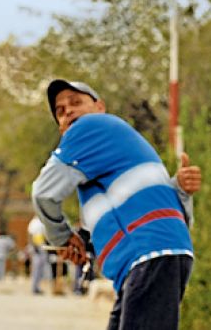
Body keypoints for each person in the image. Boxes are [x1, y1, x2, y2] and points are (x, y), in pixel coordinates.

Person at [31, 80, 200, 330]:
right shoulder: (107, 156)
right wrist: (78, 242)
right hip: (151, 259)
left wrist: (61, 238)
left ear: (100, 108)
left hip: (148, 257)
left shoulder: (91, 126)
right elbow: (167, 210)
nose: (67, 111)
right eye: (60, 110)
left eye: (76, 102)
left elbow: (43, 193)